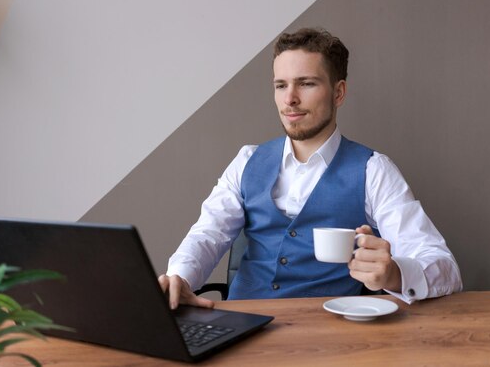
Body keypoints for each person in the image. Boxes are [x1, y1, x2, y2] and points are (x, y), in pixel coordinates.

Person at [158, 27, 462, 310]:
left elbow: (443, 266)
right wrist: (179, 279)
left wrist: (395, 275)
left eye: (306, 83)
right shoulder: (247, 160)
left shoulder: (373, 171)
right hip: (241, 326)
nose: (290, 99)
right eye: (281, 85)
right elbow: (207, 234)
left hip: (326, 339)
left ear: (338, 93)